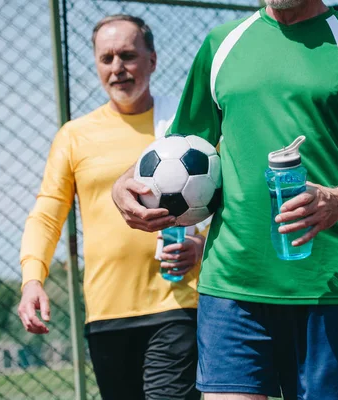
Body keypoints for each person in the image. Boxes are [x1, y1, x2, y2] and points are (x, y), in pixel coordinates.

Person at [111, 0, 338, 398]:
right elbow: (178, 149)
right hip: (231, 284)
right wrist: (122, 185)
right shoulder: (221, 45)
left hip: (330, 286)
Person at [17, 15, 203, 400]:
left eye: (128, 56)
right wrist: (32, 278)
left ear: (152, 60)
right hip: (106, 314)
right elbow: (48, 213)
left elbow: (224, 204)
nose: (118, 68)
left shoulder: (183, 128)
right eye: (107, 59)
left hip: (177, 303)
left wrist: (202, 246)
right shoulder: (74, 136)